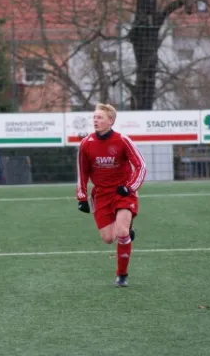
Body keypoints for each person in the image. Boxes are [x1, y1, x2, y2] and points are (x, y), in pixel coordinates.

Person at [76, 103, 147, 287]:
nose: (95, 120)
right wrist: (82, 197)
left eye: (100, 117)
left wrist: (130, 187)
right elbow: (82, 172)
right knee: (108, 238)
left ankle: (121, 275)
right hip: (101, 194)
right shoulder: (86, 144)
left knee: (122, 232)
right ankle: (126, 227)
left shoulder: (123, 140)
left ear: (111, 121)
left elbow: (141, 166)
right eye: (94, 117)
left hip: (122, 192)